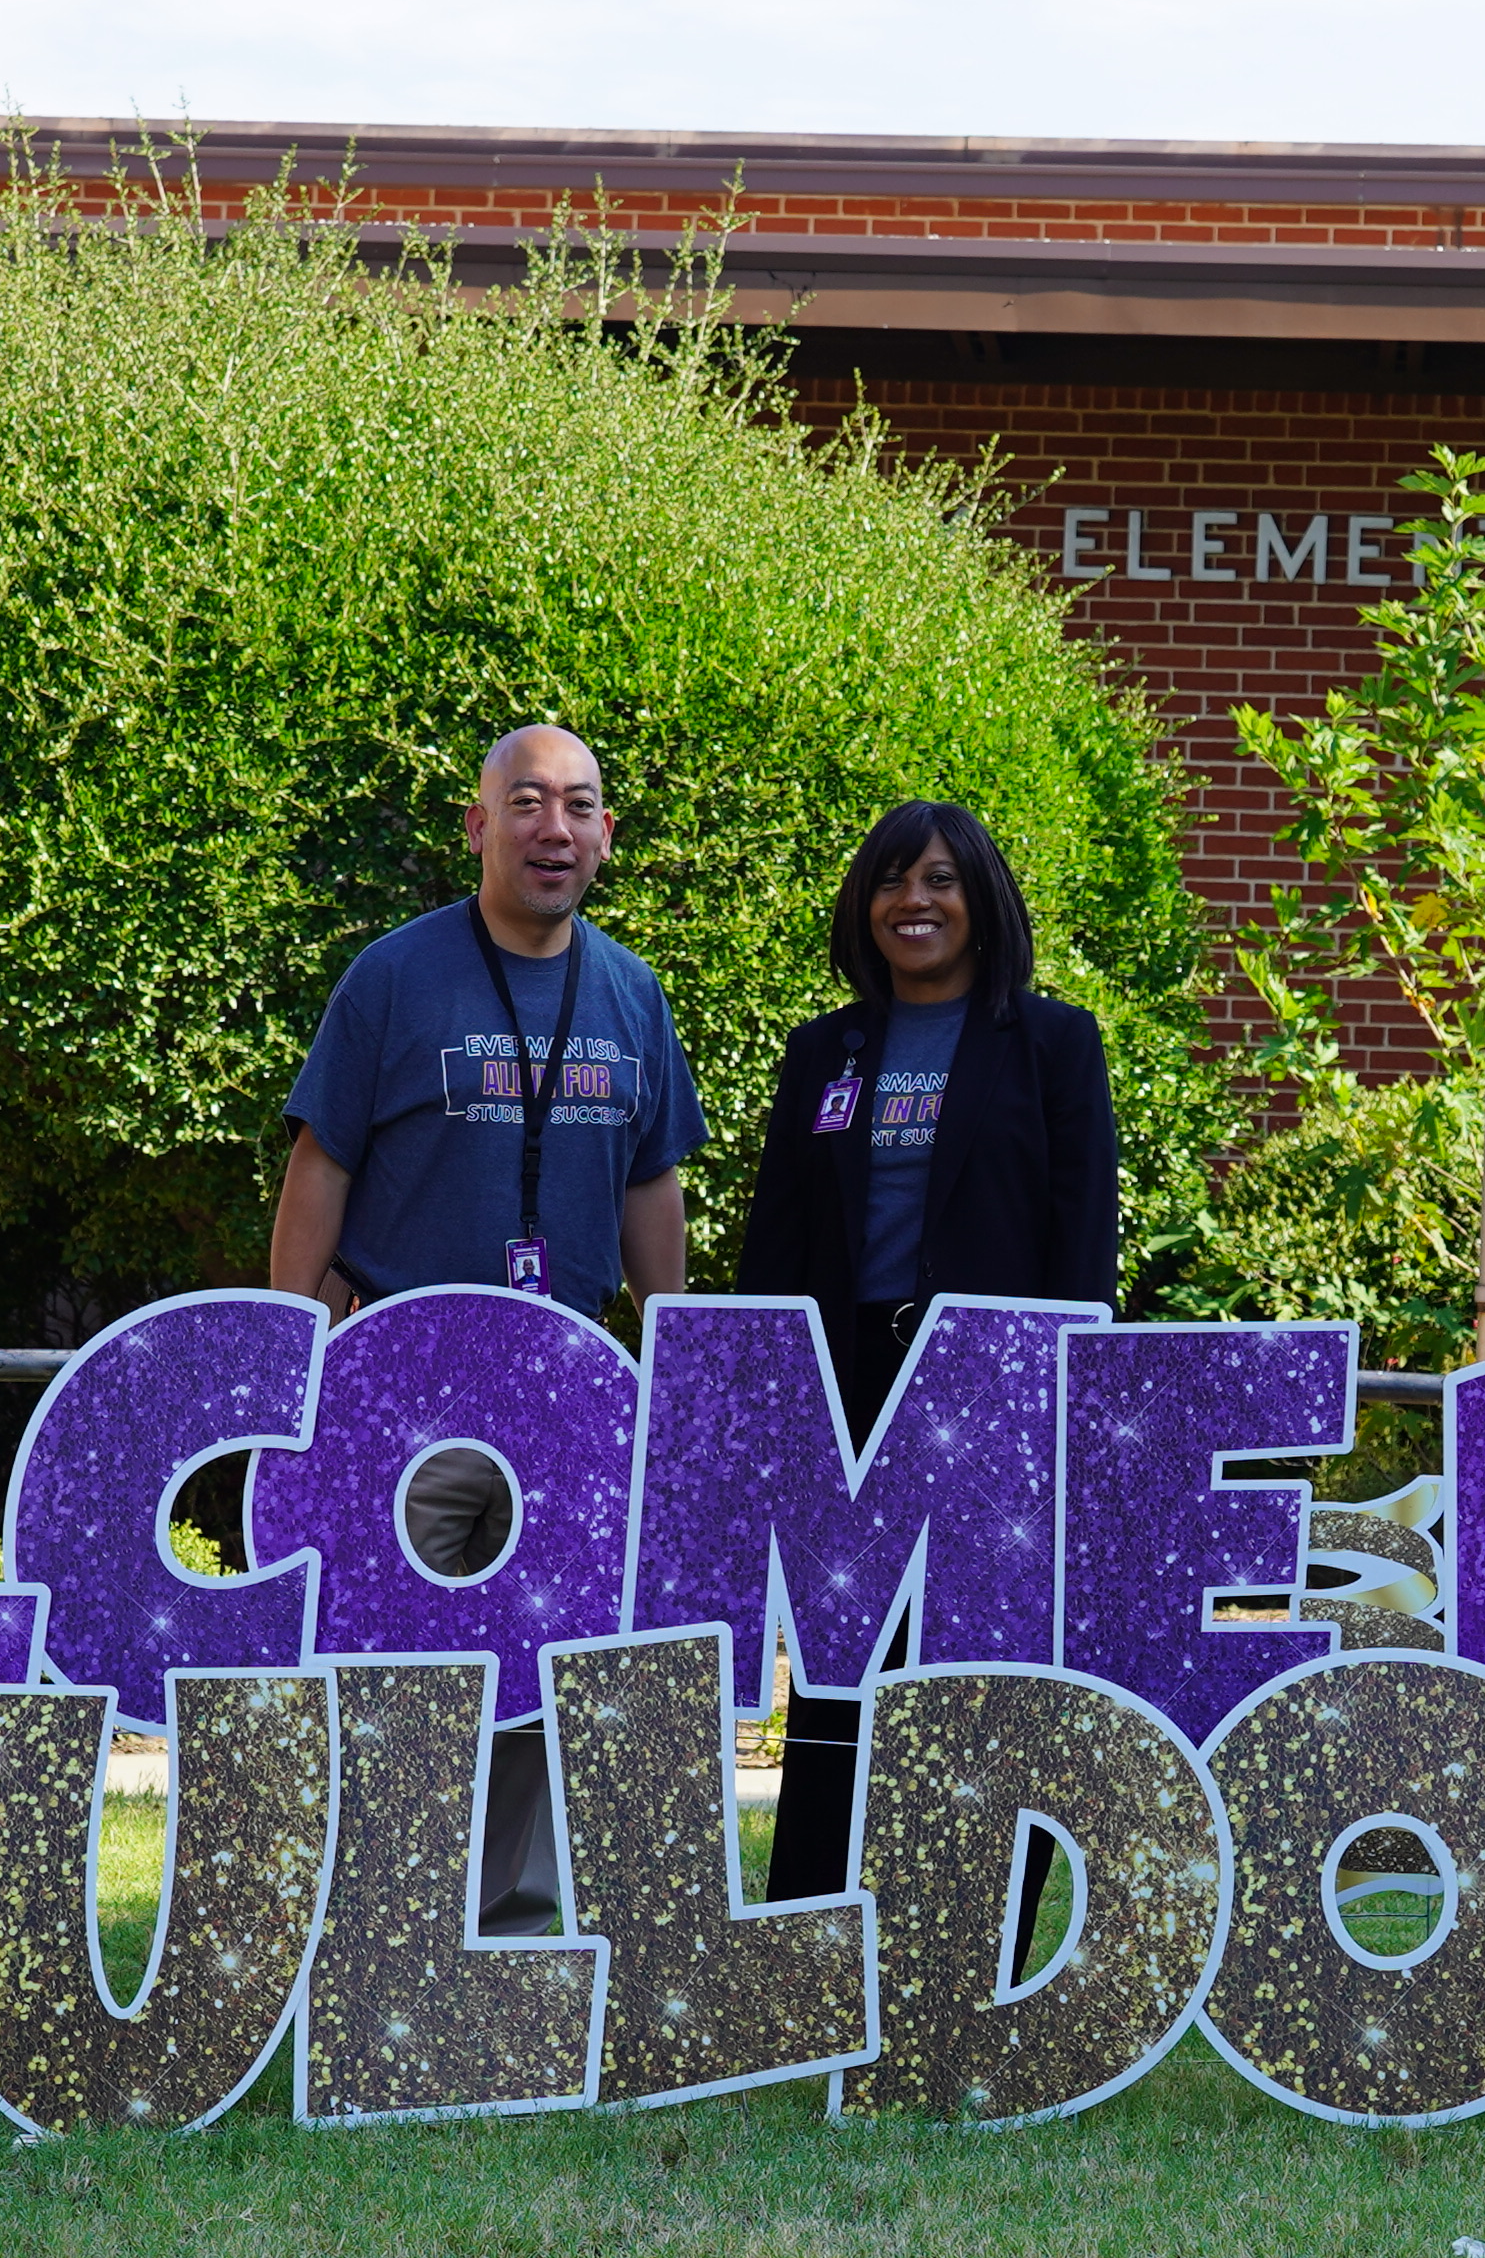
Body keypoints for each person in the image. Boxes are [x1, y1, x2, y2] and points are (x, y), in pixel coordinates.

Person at [264, 723, 704, 1927]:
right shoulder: (395, 977)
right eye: (525, 802)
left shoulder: (630, 990)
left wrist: (675, 1354)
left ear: (607, 833)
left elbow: (650, 1182)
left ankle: (511, 1936)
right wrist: (286, 1346)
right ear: (478, 826)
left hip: (569, 1400)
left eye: (579, 805)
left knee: (549, 1666)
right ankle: (380, 1926)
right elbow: (322, 1161)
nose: (552, 828)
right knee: (403, 1664)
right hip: (408, 1397)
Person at [732, 798, 1124, 1902]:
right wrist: (770, 1395)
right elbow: (778, 1239)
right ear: (866, 904)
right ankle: (807, 1916)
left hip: (990, 1391)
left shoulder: (1052, 1043)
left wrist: (1065, 1406)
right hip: (845, 1386)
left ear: (984, 900)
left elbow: (1081, 1237)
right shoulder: (827, 1050)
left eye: (942, 880)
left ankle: (966, 1918)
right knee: (837, 1659)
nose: (916, 901)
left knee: (978, 1665)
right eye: (895, 879)